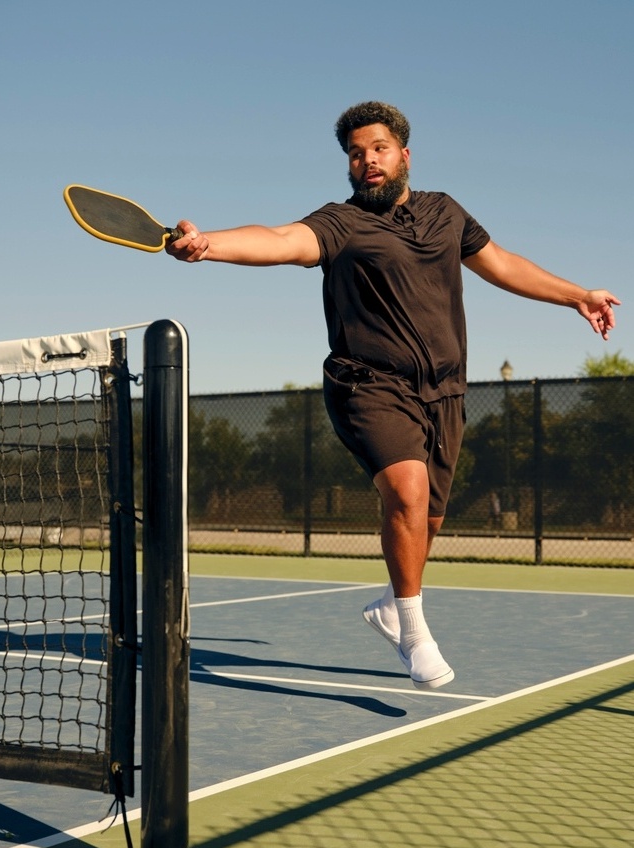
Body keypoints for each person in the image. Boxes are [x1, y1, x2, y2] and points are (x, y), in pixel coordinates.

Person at [165, 101, 620, 691]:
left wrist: (577, 295)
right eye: (356, 154)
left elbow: (502, 263)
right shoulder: (341, 224)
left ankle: (388, 603)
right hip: (367, 382)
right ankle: (412, 629)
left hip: (445, 392)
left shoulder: (446, 213)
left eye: (378, 148)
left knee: (426, 518)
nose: (367, 160)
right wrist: (209, 245)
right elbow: (280, 238)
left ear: (404, 154)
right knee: (406, 493)